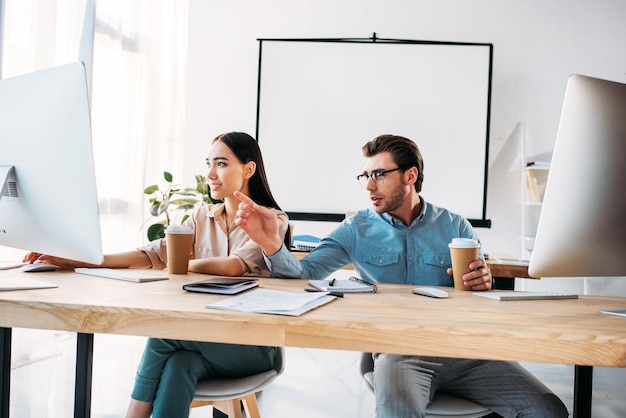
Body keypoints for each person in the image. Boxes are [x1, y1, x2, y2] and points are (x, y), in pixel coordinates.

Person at [234, 134, 568, 418]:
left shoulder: (455, 226)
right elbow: (305, 274)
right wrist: (271, 243)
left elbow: (475, 293)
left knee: (549, 409)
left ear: (410, 175)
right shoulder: (356, 229)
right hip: (400, 352)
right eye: (364, 176)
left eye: (379, 174)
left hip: (466, 350)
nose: (368, 185)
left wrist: (483, 281)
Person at [24, 132, 289, 418]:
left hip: (252, 346)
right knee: (179, 364)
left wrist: (176, 264)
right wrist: (79, 260)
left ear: (248, 169)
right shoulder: (201, 217)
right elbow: (149, 254)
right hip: (204, 338)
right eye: (208, 163)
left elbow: (232, 266)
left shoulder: (273, 220)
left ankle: (133, 414)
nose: (211, 173)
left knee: (164, 336)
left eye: (221, 163)